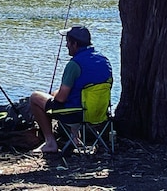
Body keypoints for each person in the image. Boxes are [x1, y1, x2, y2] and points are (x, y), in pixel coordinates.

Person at [29, 25, 112, 153]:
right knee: (75, 95)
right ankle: (75, 139)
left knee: (35, 97)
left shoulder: (74, 65)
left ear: (75, 44)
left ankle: (50, 143)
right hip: (100, 113)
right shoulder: (104, 61)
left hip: (76, 114)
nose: (66, 45)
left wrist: (55, 94)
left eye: (68, 42)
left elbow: (61, 98)